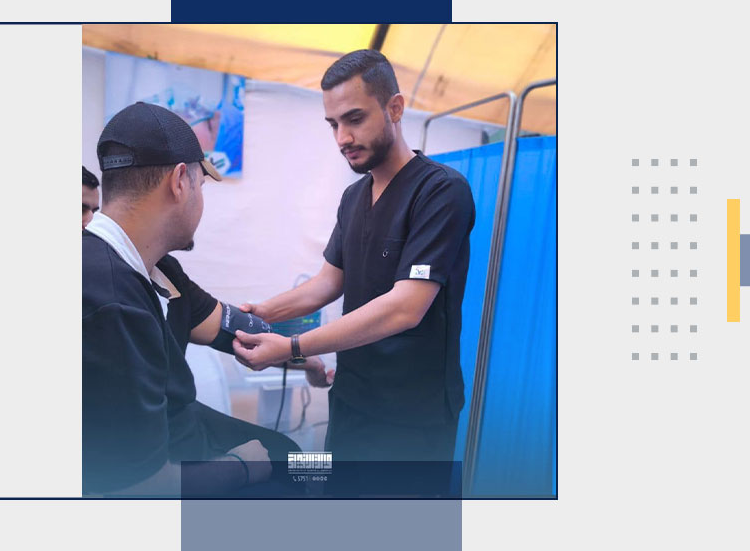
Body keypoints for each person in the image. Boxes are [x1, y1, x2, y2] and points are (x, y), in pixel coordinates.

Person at [233, 50, 475, 466]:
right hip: (350, 398)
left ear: (394, 108)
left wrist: (291, 346)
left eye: (355, 119)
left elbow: (405, 308)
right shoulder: (353, 197)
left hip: (411, 415)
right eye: (333, 124)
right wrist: (258, 313)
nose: (342, 137)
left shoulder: (441, 191)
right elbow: (327, 283)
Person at [83, 102, 281, 497]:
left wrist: (301, 350)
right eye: (201, 186)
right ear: (179, 182)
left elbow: (226, 325)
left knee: (295, 456)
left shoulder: (156, 266)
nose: (201, 201)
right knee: (294, 468)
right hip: (157, 471)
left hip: (180, 426)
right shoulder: (112, 305)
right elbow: (136, 489)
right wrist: (242, 467)